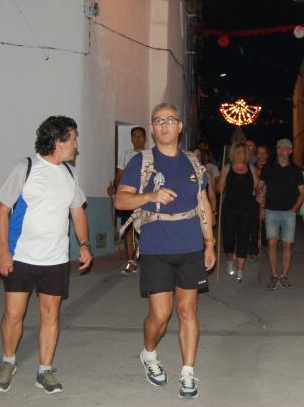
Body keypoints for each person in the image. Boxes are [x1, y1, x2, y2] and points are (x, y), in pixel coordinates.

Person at [115, 103, 216, 399]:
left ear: (180, 126)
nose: (164, 125)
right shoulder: (142, 162)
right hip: (156, 247)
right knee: (160, 315)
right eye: (158, 121)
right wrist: (151, 195)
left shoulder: (193, 162)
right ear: (152, 128)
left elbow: (203, 204)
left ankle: (188, 373)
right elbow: (121, 201)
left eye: (170, 120)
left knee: (188, 310)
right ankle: (149, 353)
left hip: (190, 246)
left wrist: (209, 243)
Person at [0, 116, 93, 394]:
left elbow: (77, 212)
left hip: (56, 260)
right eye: (73, 138)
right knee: (14, 314)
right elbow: (2, 210)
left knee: (51, 315)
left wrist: (84, 244)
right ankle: (8, 362)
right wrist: (3, 251)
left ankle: (45, 370)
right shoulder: (25, 167)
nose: (76, 144)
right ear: (58, 141)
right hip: (21, 257)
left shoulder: (69, 174)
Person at [256, 138, 304, 289]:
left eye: (285, 148)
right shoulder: (268, 167)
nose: (281, 151)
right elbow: (259, 186)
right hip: (271, 211)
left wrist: (295, 208)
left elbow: (303, 192)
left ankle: (284, 276)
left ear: (290, 151)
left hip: (289, 212)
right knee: (272, 242)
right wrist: (260, 196)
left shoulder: (296, 170)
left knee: (287, 244)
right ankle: (274, 275)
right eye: (279, 148)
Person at [217, 141, 258, 282]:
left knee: (243, 238)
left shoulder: (251, 169)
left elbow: (257, 187)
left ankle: (240, 270)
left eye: (243, 153)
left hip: (247, 209)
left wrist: (260, 194)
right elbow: (219, 189)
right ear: (233, 154)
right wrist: (220, 183)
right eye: (238, 152)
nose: (241, 155)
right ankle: (230, 261)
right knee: (228, 239)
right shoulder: (227, 168)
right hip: (229, 208)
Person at [108, 126, 147, 274]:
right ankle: (131, 261)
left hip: (144, 198)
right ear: (131, 139)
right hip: (129, 197)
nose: (137, 139)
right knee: (128, 228)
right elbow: (119, 176)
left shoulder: (150, 156)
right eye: (134, 136)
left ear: (145, 138)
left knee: (147, 229)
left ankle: (149, 259)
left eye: (140, 136)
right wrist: (114, 188)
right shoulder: (125, 155)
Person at [248, 144, 270, 259]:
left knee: (267, 225)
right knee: (254, 225)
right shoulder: (252, 168)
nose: (261, 156)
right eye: (259, 153)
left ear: (267, 155)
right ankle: (253, 250)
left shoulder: (272, 167)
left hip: (269, 199)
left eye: (264, 153)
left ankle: (265, 245)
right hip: (255, 198)